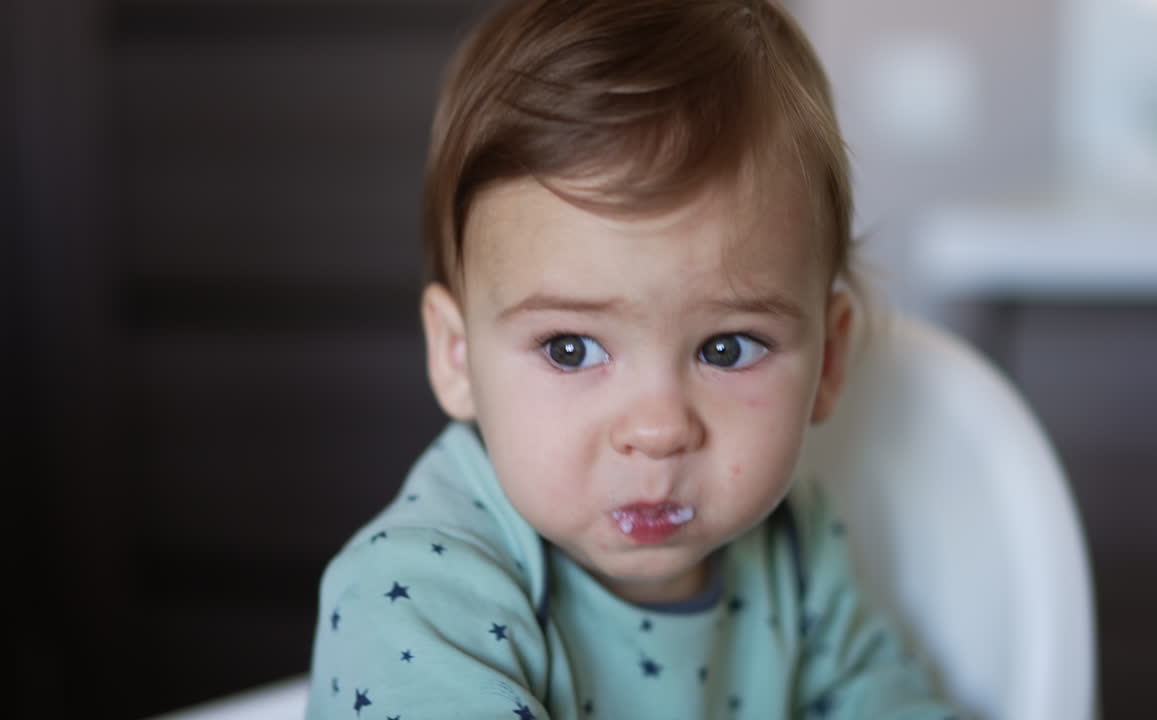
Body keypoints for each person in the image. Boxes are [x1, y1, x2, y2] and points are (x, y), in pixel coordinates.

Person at [306, 1, 959, 717]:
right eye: (570, 349)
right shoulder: (418, 594)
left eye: (726, 348)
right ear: (457, 356)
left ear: (829, 360)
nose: (657, 429)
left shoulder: (799, 553)